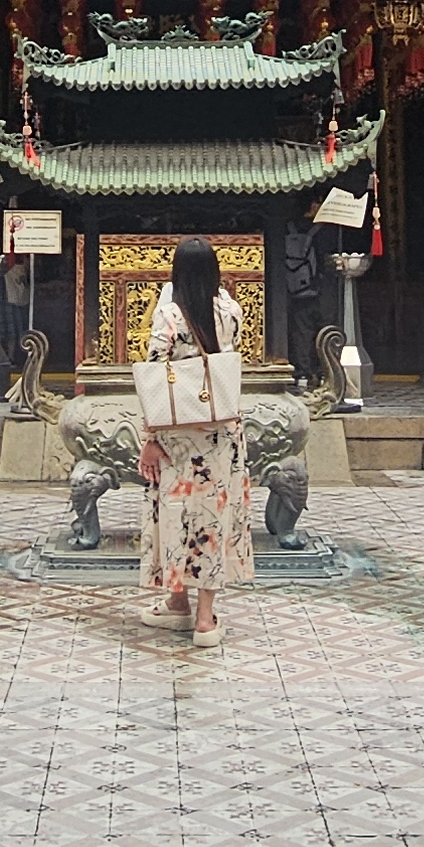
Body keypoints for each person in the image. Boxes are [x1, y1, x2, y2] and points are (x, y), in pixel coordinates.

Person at [142, 236, 251, 643]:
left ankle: (177, 599)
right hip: (222, 432)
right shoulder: (232, 311)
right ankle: (204, 617)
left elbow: (155, 377)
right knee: (214, 520)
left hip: (178, 434)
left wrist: (150, 437)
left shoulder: (169, 316)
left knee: (175, 512)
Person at [278, 213, 324, 388]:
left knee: (301, 332)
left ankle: (302, 373)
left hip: (294, 288)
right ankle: (321, 372)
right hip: (317, 287)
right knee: (323, 330)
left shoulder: (288, 226)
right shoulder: (321, 230)